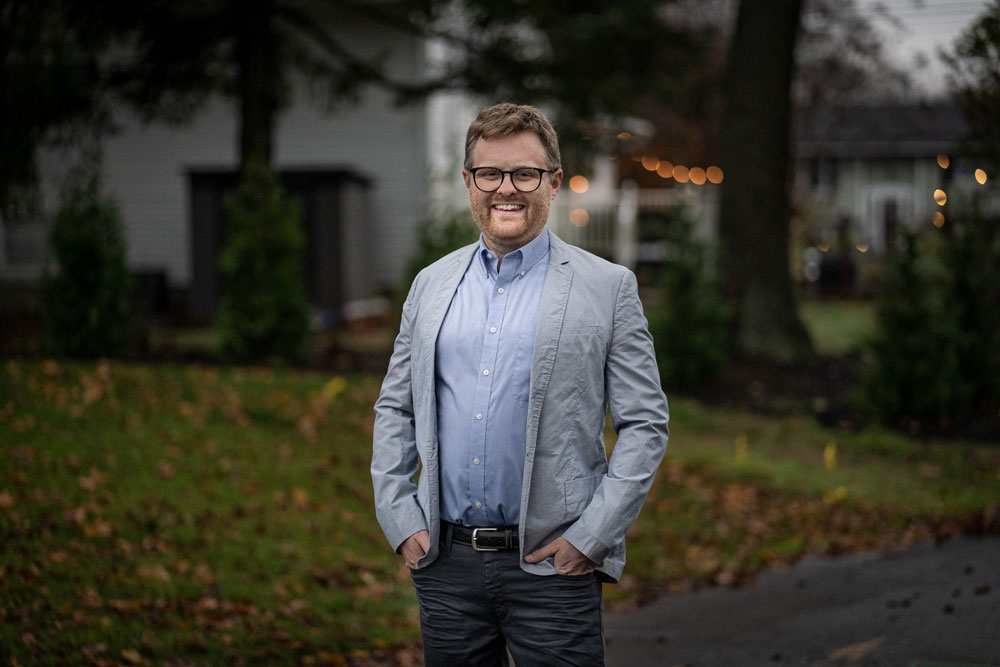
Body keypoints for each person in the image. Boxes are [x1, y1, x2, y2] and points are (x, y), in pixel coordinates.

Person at [371, 102, 669, 666]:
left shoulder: (608, 289)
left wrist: (592, 537)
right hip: (446, 567)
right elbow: (396, 408)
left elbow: (645, 425)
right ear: (468, 181)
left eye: (524, 174)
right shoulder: (431, 286)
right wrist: (400, 516)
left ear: (553, 183)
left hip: (552, 568)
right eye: (489, 173)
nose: (506, 189)